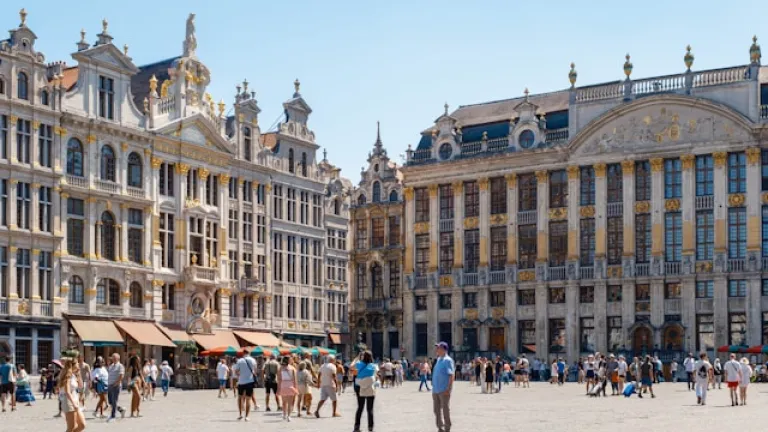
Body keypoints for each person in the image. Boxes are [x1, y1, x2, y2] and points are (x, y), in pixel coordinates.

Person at [59, 357, 86, 432]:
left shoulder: (73, 375)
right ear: (72, 365)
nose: (78, 364)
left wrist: (78, 374)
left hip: (75, 400)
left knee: (82, 425)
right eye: (77, 363)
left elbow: (81, 386)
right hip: (69, 402)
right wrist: (74, 404)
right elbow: (67, 391)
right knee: (71, 427)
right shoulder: (67, 375)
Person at [432, 342, 454, 432]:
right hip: (436, 389)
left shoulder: (448, 360)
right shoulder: (438, 359)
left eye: (438, 348)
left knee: (445, 410)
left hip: (444, 390)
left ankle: (447, 428)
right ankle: (440, 428)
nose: (437, 350)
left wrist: (448, 388)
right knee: (436, 410)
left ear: (444, 350)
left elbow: (451, 375)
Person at [353, 351, 377, 432]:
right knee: (370, 409)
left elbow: (351, 366)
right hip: (370, 386)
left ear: (363, 356)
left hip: (360, 386)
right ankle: (370, 427)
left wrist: (357, 358)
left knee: (360, 407)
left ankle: (357, 427)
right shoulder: (373, 366)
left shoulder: (359, 364)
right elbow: (376, 375)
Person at [233, 351, 257, 421]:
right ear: (249, 353)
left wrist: (240, 375)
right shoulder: (253, 360)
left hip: (241, 382)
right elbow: (255, 371)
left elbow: (236, 371)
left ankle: (240, 414)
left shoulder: (240, 360)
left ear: (243, 354)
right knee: (248, 399)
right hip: (250, 381)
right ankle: (247, 416)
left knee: (240, 398)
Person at [277, 356, 298, 422]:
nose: (292, 360)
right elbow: (295, 380)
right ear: (288, 360)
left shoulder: (280, 368)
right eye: (291, 359)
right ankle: (288, 416)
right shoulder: (293, 368)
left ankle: (284, 414)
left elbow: (279, 379)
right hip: (290, 385)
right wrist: (296, 388)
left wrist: (278, 388)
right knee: (290, 402)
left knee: (284, 402)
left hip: (283, 385)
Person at [106, 353, 125, 423]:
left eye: (114, 357)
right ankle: (121, 409)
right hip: (109, 385)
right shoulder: (111, 366)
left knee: (114, 401)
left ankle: (113, 416)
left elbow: (121, 375)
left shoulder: (120, 366)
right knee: (110, 402)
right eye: (112, 357)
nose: (113, 359)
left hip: (115, 386)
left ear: (118, 358)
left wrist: (117, 383)